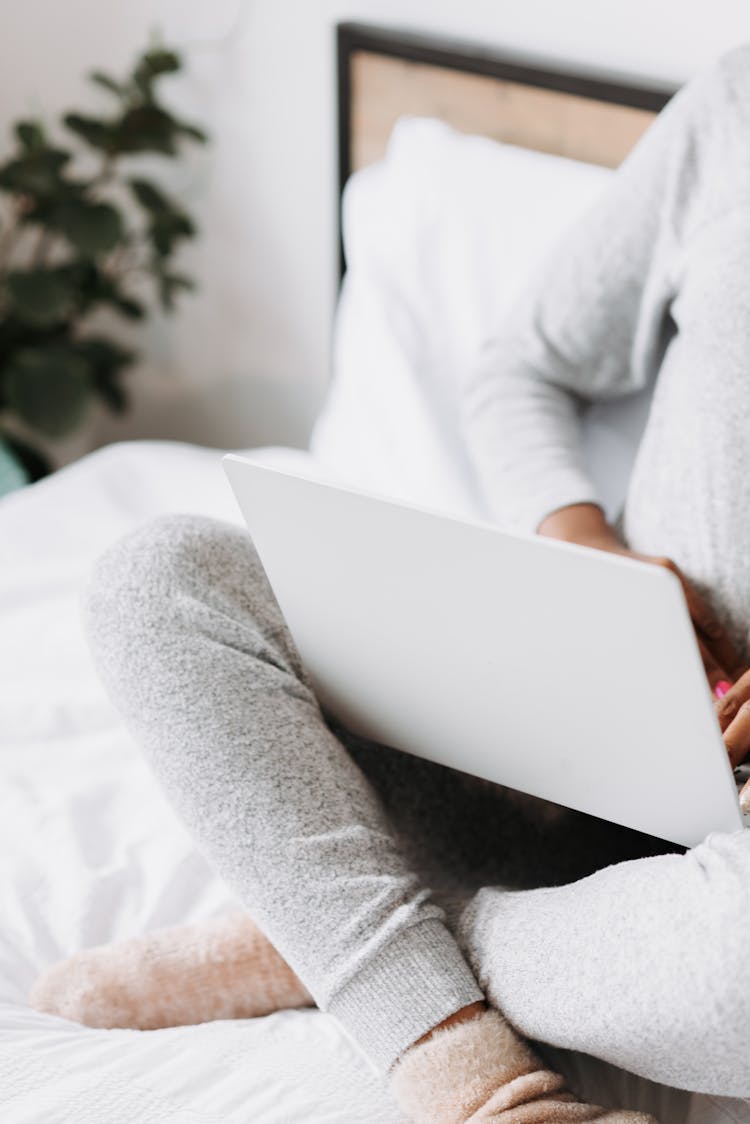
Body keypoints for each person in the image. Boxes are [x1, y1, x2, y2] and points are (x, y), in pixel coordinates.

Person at [31, 42, 750, 1124]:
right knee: (159, 578)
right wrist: (585, 538)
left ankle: (381, 966)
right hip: (592, 708)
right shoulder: (738, 105)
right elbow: (523, 364)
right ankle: (431, 987)